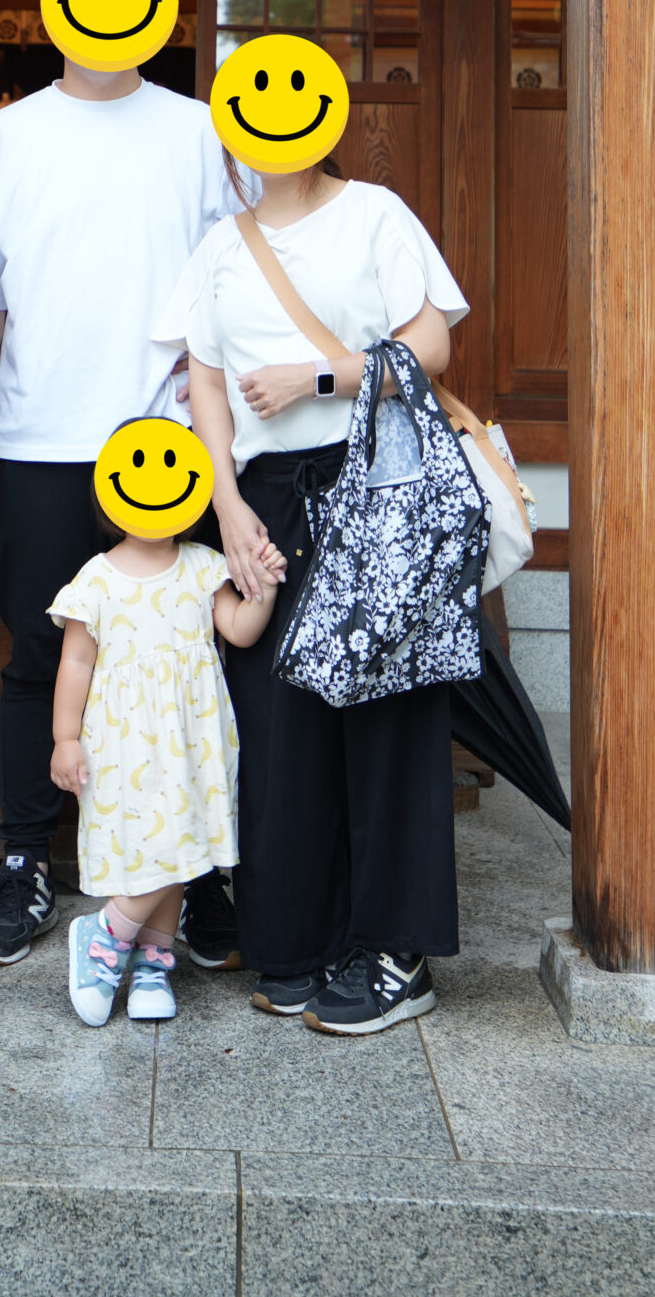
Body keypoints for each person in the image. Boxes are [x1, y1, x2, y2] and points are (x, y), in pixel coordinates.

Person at [0, 0, 248, 970]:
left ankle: (199, 873)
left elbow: (233, 281)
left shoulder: (200, 129)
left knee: (191, 660)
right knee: (42, 655)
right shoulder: (7, 135)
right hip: (36, 439)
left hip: (169, 442)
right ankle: (25, 861)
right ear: (51, 9)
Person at [158, 152, 469, 1037]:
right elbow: (204, 382)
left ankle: (395, 953)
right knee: (276, 722)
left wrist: (317, 377)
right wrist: (225, 506)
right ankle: (295, 940)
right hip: (265, 496)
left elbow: (430, 344)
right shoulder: (222, 245)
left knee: (387, 716)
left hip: (375, 485)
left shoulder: (373, 211)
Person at [48, 428, 283, 1026]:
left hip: (192, 740)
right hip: (124, 742)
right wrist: (65, 738)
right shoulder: (96, 580)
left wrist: (263, 586)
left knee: (182, 847)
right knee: (152, 848)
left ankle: (152, 962)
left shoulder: (204, 567)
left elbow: (240, 630)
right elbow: (75, 663)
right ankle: (107, 934)